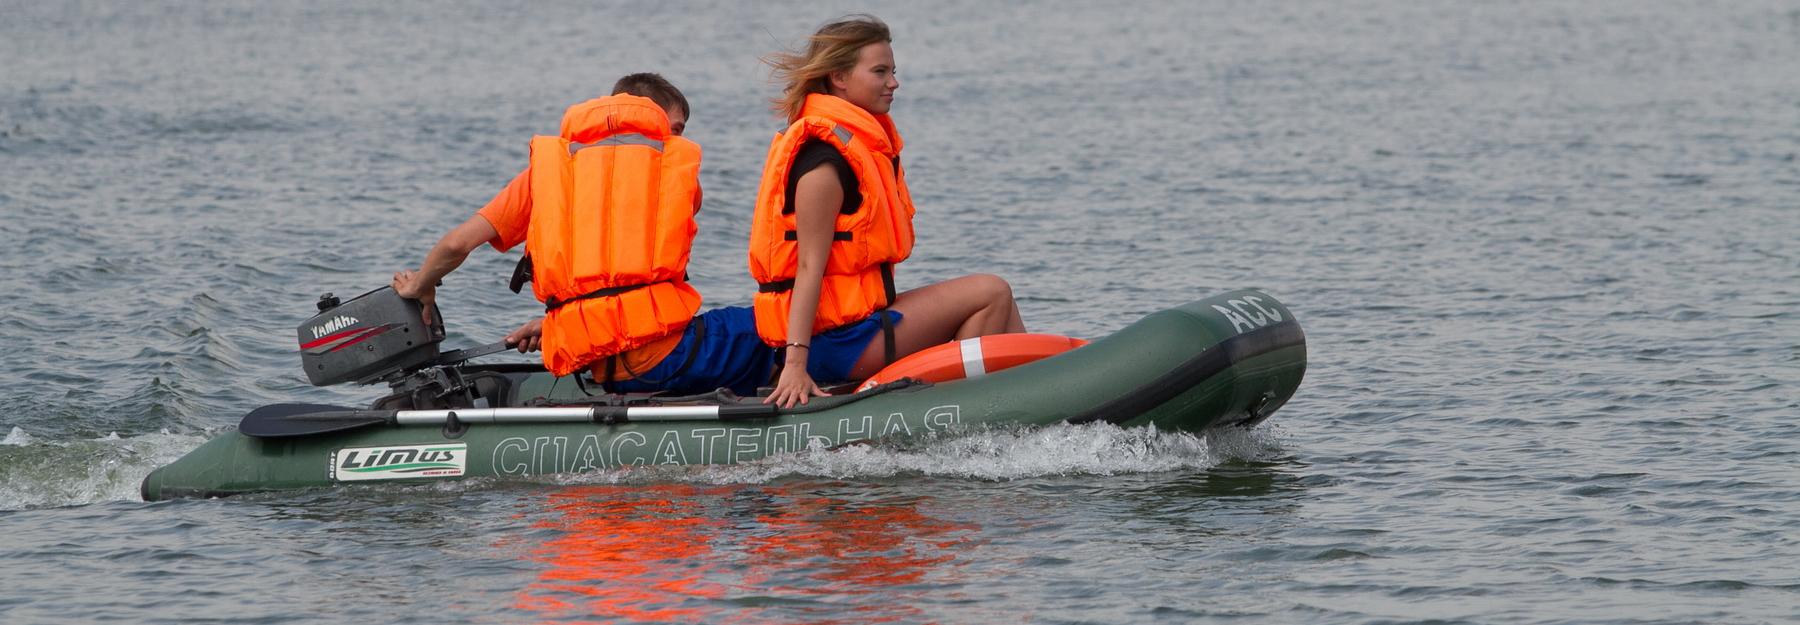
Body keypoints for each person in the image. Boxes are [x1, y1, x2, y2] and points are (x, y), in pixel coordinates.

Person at [394, 73, 772, 397]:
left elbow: (457, 243)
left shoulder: (545, 176)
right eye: (670, 129)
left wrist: (421, 285)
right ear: (644, 117)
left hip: (610, 369)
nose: (669, 141)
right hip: (663, 358)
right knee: (776, 321)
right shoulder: (673, 178)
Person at [751, 15, 1026, 407]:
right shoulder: (823, 164)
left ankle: (1033, 399)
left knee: (1002, 304)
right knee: (991, 292)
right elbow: (808, 269)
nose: (893, 82)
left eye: (893, 71)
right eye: (879, 71)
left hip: (860, 325)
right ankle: (957, 416)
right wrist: (796, 362)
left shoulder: (857, 147)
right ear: (839, 77)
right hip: (836, 343)